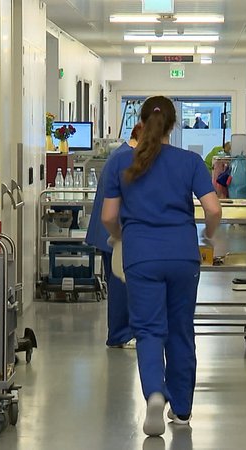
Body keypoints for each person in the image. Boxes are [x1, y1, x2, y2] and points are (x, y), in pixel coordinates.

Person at [101, 96, 222, 436]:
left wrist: (121, 236)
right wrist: (211, 237)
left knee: (149, 330)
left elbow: (109, 216)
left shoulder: (120, 163)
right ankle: (181, 411)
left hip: (141, 256)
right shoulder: (191, 162)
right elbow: (213, 209)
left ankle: (155, 392)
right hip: (183, 255)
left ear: (140, 123)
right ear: (173, 125)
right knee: (181, 329)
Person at [85, 123, 143, 349]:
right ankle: (120, 335)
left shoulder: (121, 154)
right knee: (120, 287)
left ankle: (122, 332)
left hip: (110, 231)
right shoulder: (127, 158)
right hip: (115, 231)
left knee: (119, 283)